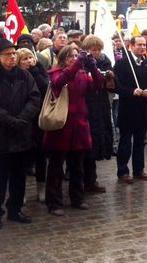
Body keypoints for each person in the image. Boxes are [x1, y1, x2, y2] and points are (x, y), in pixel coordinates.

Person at [44, 45, 104, 216]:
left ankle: (77, 197)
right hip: (61, 124)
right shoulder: (55, 72)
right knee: (56, 166)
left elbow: (99, 84)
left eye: (77, 55)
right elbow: (59, 82)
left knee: (77, 165)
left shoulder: (82, 74)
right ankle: (54, 202)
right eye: (71, 56)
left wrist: (92, 65)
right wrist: (78, 63)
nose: (75, 58)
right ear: (63, 58)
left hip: (79, 124)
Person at [0, 39, 40, 228]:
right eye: (8, 54)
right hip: (1, 133)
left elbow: (34, 98)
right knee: (0, 177)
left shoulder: (24, 75)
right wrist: (10, 120)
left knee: (19, 176)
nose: (12, 57)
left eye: (14, 53)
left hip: (21, 134)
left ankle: (15, 209)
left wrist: (22, 119)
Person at [114, 36, 147, 184]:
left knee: (140, 142)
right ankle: (123, 171)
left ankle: (139, 169)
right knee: (125, 142)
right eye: (139, 45)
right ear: (131, 46)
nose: (142, 47)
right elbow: (116, 86)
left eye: (144, 45)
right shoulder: (122, 64)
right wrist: (132, 91)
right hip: (127, 110)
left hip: (142, 110)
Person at [81, 36, 114, 194]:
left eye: (98, 49)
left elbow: (110, 83)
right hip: (86, 105)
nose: (97, 52)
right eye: (93, 49)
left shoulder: (105, 61)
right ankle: (83, 179)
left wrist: (109, 75)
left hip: (100, 105)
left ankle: (91, 179)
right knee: (85, 144)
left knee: (96, 141)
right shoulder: (81, 62)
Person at [16, 47, 49, 202]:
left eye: (30, 57)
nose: (29, 61)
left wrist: (35, 70)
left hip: (39, 120)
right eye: (25, 59)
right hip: (22, 121)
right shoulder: (15, 76)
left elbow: (44, 87)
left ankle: (41, 188)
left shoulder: (39, 71)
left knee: (41, 155)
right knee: (23, 158)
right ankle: (20, 192)